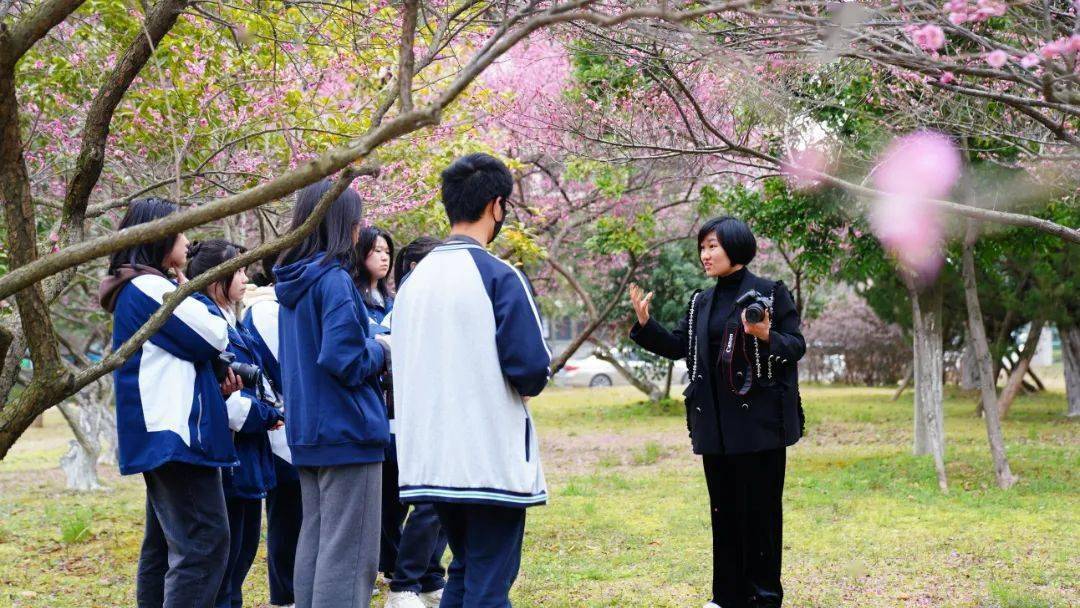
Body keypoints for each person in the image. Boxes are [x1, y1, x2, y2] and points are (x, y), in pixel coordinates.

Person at [392, 153, 551, 608]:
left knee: (463, 571)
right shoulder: (499, 276)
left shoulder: (413, 283)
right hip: (487, 456)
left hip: (431, 457)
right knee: (488, 582)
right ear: (497, 206)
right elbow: (531, 369)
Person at [627, 216, 805, 608]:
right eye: (702, 247)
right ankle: (725, 596)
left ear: (736, 247)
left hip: (760, 428)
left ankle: (763, 596)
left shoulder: (770, 293)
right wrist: (645, 324)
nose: (705, 255)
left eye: (712, 246)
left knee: (760, 516)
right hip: (716, 427)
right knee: (724, 515)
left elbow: (795, 346)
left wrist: (764, 335)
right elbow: (679, 346)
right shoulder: (700, 302)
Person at [98, 197, 241, 608]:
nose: (186, 240)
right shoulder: (147, 286)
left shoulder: (141, 284)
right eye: (180, 231)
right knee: (204, 542)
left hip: (165, 429)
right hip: (172, 431)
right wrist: (186, 288)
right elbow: (213, 335)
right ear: (159, 236)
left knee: (164, 547)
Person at [274, 178, 391, 608]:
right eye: (357, 221)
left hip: (309, 430)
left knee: (318, 540)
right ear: (344, 225)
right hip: (347, 431)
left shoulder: (293, 284)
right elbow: (344, 359)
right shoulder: (335, 281)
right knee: (350, 553)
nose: (362, 230)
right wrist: (381, 349)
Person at [185, 240, 286, 608]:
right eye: (238, 271)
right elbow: (226, 401)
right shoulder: (207, 321)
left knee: (240, 557)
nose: (246, 278)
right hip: (228, 456)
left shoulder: (231, 319)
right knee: (227, 562)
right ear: (217, 278)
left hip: (244, 455)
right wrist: (270, 414)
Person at [377, 236, 449, 608]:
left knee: (441, 502)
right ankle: (404, 583)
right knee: (426, 502)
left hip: (437, 415)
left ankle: (428, 576)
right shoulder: (404, 309)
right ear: (416, 268)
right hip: (407, 422)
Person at [242, 254, 301, 608]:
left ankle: (291, 591)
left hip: (283, 425)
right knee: (287, 515)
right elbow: (285, 371)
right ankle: (285, 595)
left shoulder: (272, 307)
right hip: (279, 427)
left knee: (291, 514)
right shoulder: (266, 310)